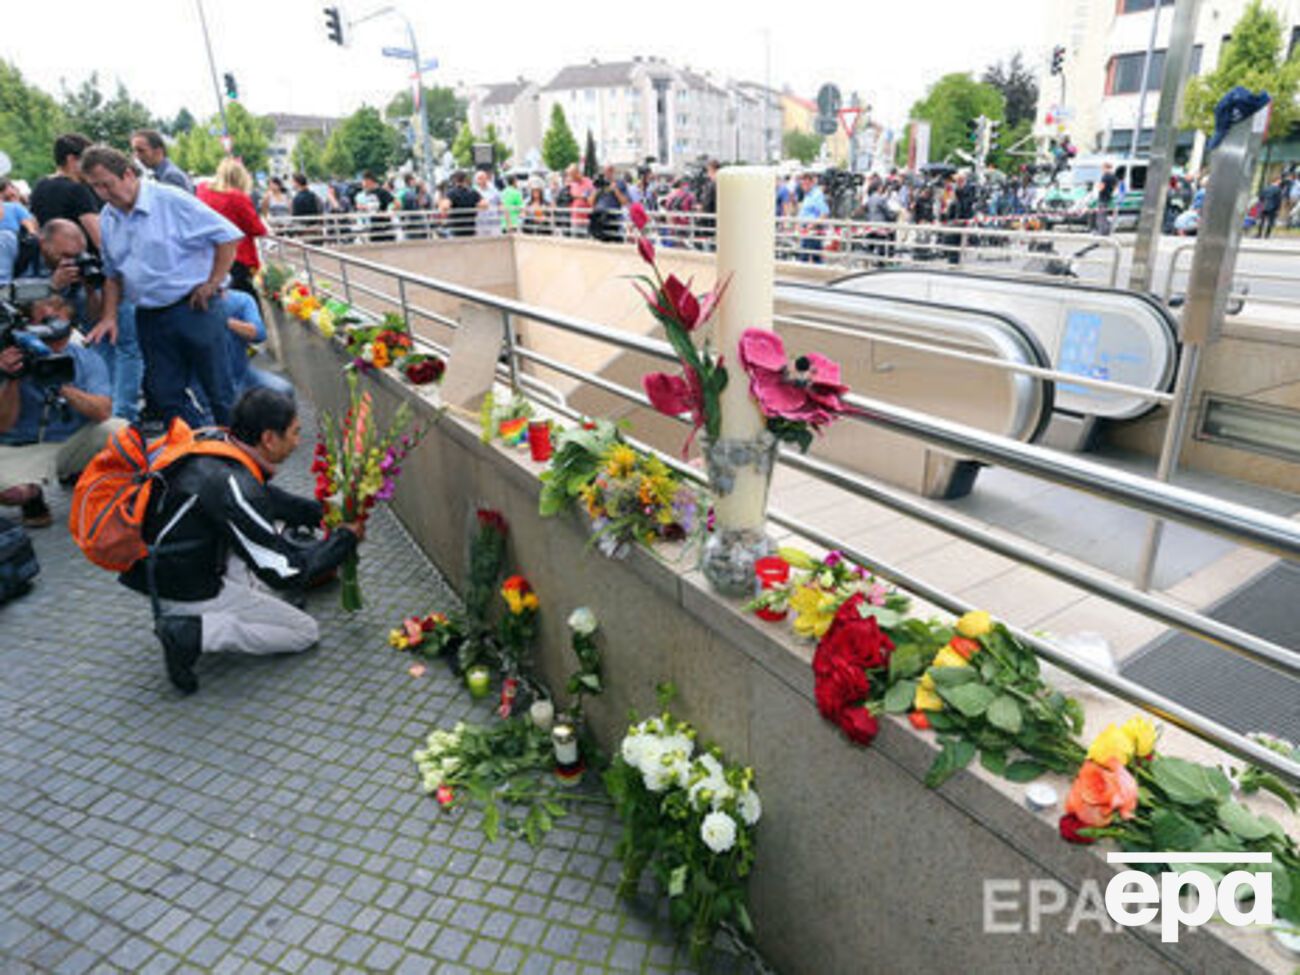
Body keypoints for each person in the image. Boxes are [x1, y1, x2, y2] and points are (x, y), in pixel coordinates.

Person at [119, 388, 364, 693]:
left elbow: (266, 500)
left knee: (270, 532)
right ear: (269, 439)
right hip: (183, 586)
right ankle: (190, 632)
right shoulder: (232, 484)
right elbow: (285, 572)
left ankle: (207, 610)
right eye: (295, 433)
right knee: (303, 631)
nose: (298, 442)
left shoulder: (217, 443)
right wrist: (344, 540)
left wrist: (325, 514)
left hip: (160, 567)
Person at [80, 145, 242, 428]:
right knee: (164, 393)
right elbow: (112, 273)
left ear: (128, 174)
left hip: (194, 307)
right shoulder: (108, 216)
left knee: (219, 391)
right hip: (150, 314)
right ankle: (200, 450)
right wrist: (109, 317)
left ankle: (239, 459)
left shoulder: (170, 200)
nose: (104, 194)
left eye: (107, 185)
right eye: (96, 188)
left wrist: (213, 282)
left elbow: (228, 236)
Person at [0, 294, 127, 526]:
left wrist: (62, 385)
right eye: (44, 323)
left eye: (60, 326)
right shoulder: (8, 359)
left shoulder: (85, 357)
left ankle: (97, 485)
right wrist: (12, 379)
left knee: (122, 432)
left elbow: (103, 412)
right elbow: (3, 424)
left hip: (70, 442)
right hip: (21, 447)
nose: (53, 333)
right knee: (12, 492)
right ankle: (33, 498)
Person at [197, 158, 268, 303]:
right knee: (245, 302)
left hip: (208, 255)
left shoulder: (203, 190)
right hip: (238, 257)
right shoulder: (238, 197)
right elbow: (258, 229)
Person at [29, 134, 103, 251]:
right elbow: (99, 238)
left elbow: (35, 227)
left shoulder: (40, 185)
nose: (91, 167)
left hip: (51, 260)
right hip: (80, 261)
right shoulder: (77, 190)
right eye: (87, 161)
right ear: (71, 159)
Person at [130, 129, 194, 194]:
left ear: (158, 151)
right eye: (134, 151)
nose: (136, 156)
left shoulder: (171, 176)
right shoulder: (160, 174)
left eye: (141, 151)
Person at [796, 172, 828, 263]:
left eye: (806, 183)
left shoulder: (816, 194)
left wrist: (811, 225)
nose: (804, 185)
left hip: (812, 229)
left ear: (812, 183)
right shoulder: (808, 194)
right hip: (806, 228)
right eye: (802, 183)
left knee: (808, 256)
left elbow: (824, 213)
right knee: (811, 255)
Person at [445, 172, 480, 237]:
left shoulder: (451, 193)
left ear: (454, 180)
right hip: (470, 228)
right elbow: (484, 204)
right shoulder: (473, 192)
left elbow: (445, 206)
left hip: (456, 229)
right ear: (465, 180)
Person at [473, 170, 502, 238]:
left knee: (496, 240)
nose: (482, 180)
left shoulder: (494, 190)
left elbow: (500, 202)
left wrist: (500, 213)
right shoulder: (474, 191)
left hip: (493, 220)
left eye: (484, 178)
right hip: (481, 221)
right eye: (479, 178)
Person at [1095, 162, 1117, 236]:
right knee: (1106, 215)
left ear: (1105, 168)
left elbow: (1101, 187)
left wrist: (1097, 188)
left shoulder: (1105, 176)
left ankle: (1101, 232)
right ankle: (1107, 231)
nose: (1102, 170)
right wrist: (1110, 192)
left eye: (1102, 168)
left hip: (1102, 198)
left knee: (1101, 216)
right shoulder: (1114, 177)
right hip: (1109, 198)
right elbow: (1115, 187)